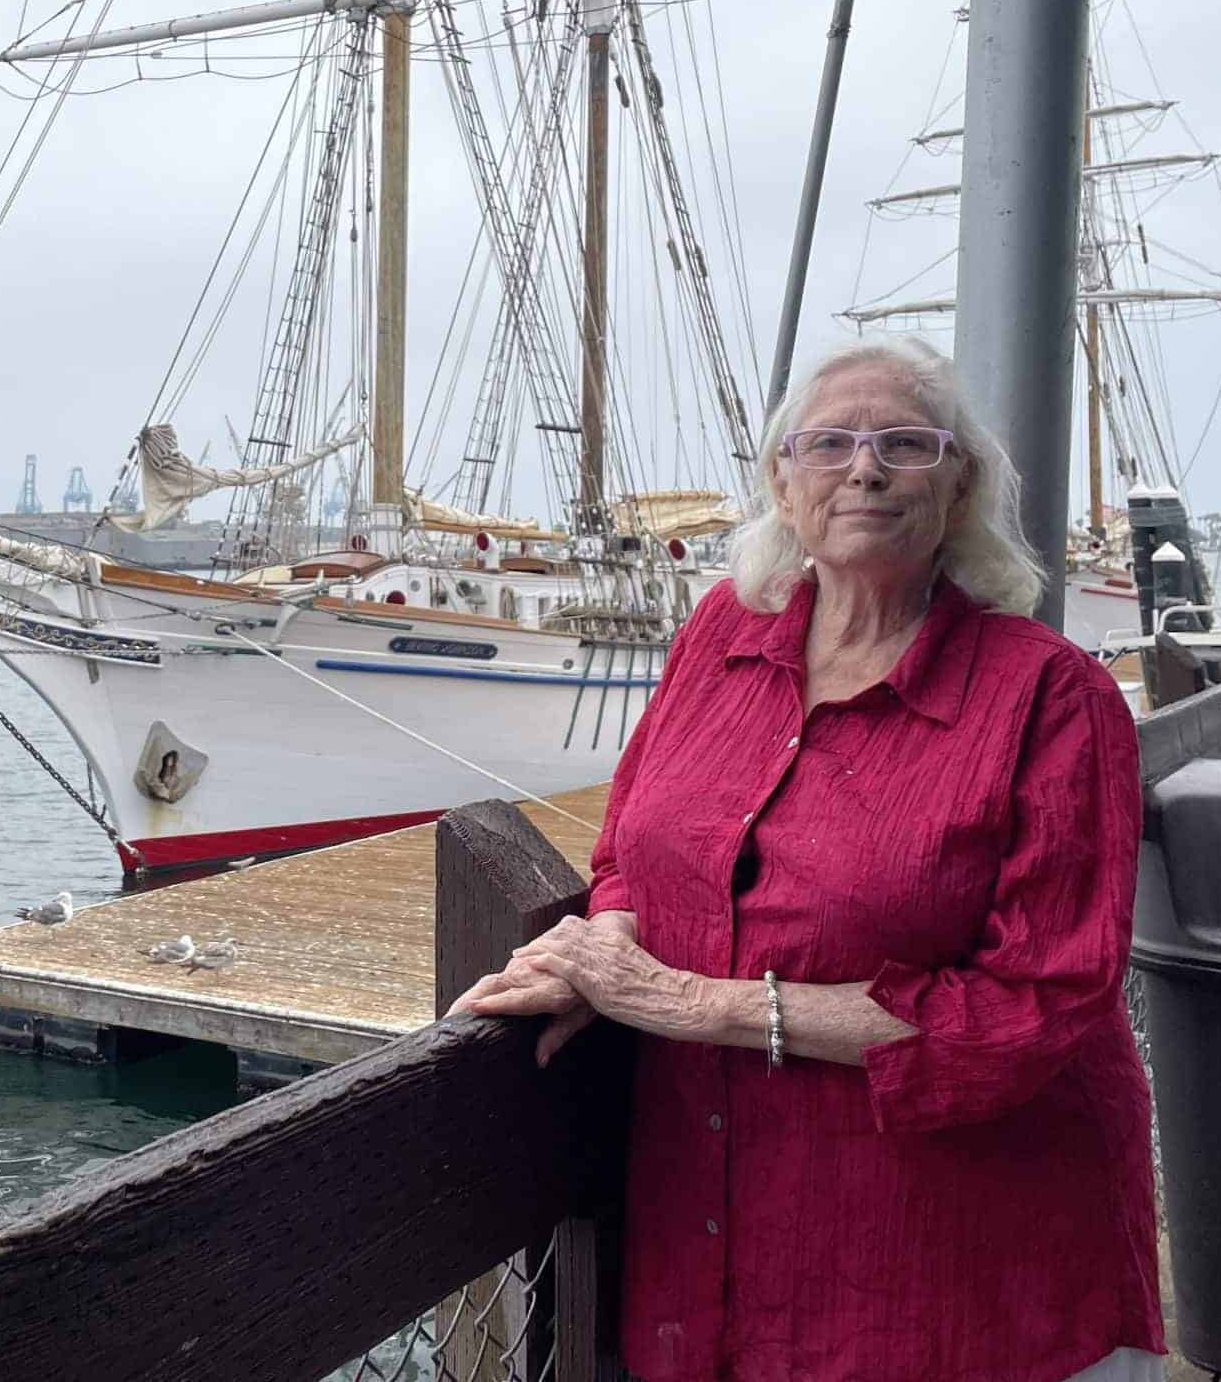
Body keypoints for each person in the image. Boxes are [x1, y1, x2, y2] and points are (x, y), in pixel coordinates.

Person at [457, 335, 1163, 1382]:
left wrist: (689, 1002)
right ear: (782, 485)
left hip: (955, 1277)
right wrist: (599, 959)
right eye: (827, 443)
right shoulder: (719, 637)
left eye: (903, 444)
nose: (863, 467)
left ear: (959, 484)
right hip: (702, 1248)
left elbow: (1034, 1007)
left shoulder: (1050, 697)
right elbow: (625, 849)